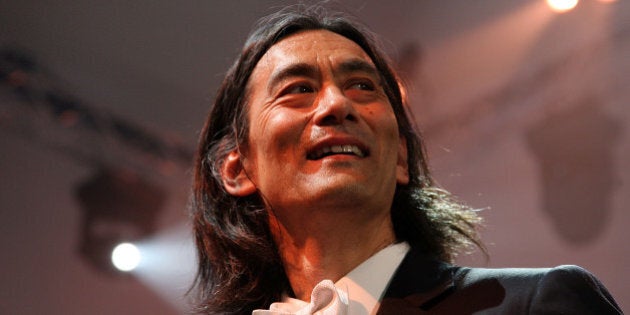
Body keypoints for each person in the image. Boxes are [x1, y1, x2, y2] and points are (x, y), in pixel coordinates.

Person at [190, 6, 623, 315]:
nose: (337, 104)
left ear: (400, 158)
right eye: (298, 89)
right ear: (238, 169)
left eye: (363, 86)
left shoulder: (535, 302)